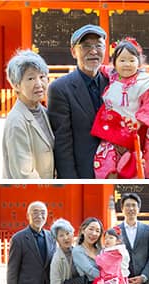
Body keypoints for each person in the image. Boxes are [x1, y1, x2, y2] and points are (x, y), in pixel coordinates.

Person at [91, 38, 149, 179]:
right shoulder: (114, 75)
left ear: (139, 62)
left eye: (131, 60)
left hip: (132, 132)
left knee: (132, 168)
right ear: (115, 63)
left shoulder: (146, 83)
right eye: (122, 60)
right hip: (111, 132)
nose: (127, 64)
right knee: (105, 165)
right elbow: (102, 68)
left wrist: (139, 122)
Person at [47, 24, 108, 178]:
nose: (93, 51)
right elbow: (62, 144)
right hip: (83, 173)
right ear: (74, 52)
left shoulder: (114, 83)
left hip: (113, 173)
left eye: (98, 46)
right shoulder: (60, 89)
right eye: (86, 46)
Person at [2, 50, 55, 179]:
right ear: (17, 85)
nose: (39, 84)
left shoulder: (43, 111)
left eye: (42, 77)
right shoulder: (16, 122)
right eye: (31, 78)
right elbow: (24, 174)